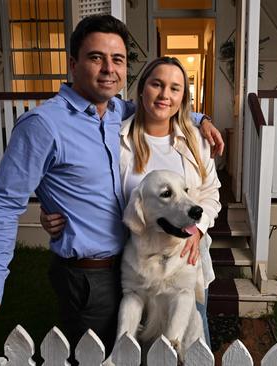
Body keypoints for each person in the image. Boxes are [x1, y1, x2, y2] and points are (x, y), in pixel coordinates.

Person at [0, 14, 223, 358]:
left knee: (151, 353)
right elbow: (2, 205)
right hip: (90, 276)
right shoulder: (43, 125)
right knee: (99, 356)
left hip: (133, 262)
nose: (108, 69)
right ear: (73, 63)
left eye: (117, 60)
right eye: (96, 57)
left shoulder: (115, 111)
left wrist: (199, 118)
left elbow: (159, 106)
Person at [41, 56, 221, 348]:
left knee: (191, 345)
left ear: (183, 98)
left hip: (186, 261)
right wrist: (52, 211)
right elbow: (92, 189)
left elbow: (211, 193)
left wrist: (198, 229)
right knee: (132, 348)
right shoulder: (116, 138)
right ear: (141, 89)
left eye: (175, 89)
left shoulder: (196, 141)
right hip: (134, 261)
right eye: (157, 85)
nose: (165, 95)